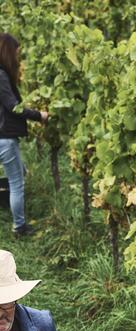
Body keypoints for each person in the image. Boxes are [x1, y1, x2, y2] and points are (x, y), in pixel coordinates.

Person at [0, 32, 48, 237]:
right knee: (16, 183)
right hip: (5, 139)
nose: (18, 58)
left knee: (20, 170)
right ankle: (19, 227)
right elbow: (13, 107)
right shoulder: (1, 75)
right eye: (16, 54)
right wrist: (39, 115)